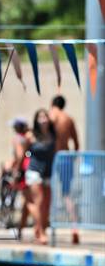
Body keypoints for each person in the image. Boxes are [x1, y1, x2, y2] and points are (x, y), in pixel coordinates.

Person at [49, 95, 80, 244]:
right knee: (67, 194)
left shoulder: (50, 116)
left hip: (51, 158)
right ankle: (74, 227)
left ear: (52, 104)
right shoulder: (69, 119)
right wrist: (72, 158)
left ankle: (41, 227)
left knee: (43, 191)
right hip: (66, 157)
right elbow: (77, 143)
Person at [23, 109, 56, 245]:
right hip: (34, 171)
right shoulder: (31, 135)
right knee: (39, 201)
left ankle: (38, 229)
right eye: (40, 117)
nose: (43, 119)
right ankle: (42, 232)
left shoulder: (53, 135)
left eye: (45, 117)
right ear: (36, 120)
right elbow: (23, 153)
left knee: (46, 204)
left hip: (48, 172)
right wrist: (18, 169)